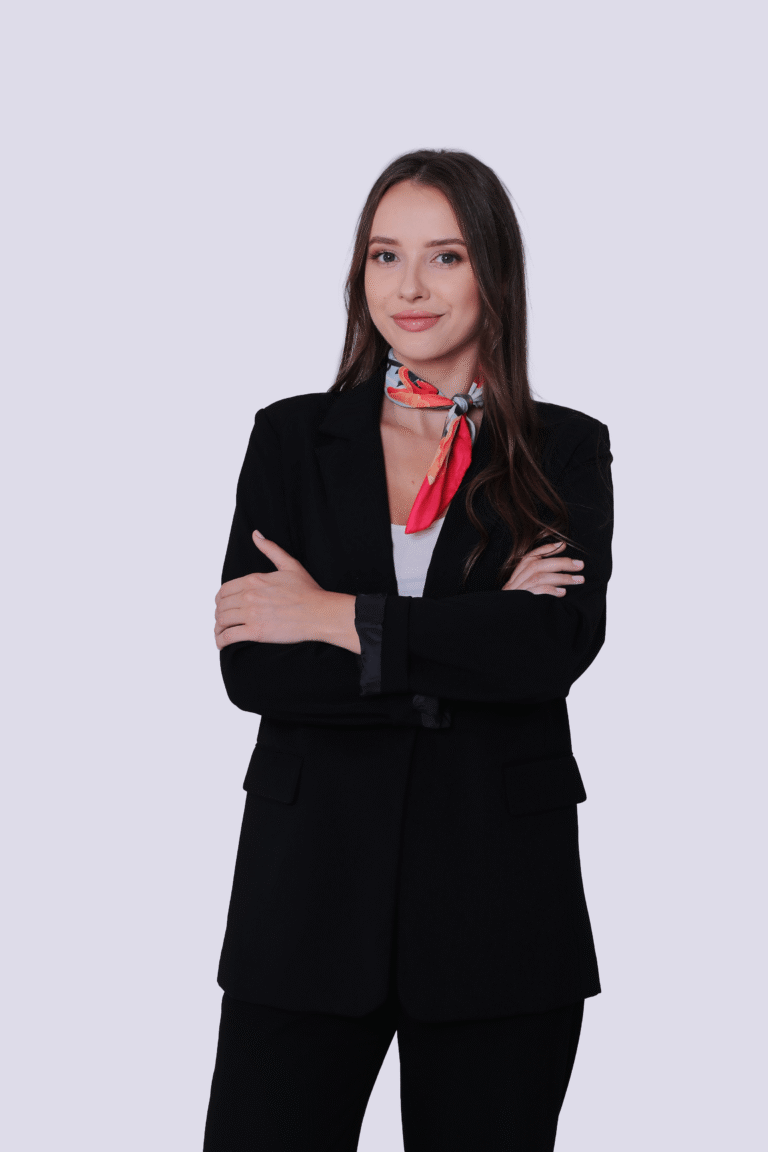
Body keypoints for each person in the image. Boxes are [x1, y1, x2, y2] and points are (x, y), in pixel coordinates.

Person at [203, 149, 614, 1151]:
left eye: (446, 256)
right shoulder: (292, 438)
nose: (411, 287)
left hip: (498, 900)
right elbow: (255, 662)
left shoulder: (562, 448)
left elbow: (547, 648)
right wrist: (465, 646)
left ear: (494, 272)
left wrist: (333, 615)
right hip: (307, 897)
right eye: (386, 255)